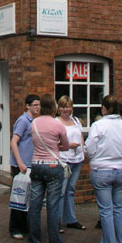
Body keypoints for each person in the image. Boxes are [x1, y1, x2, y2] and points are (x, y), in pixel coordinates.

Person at [85, 95, 122, 243]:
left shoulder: (98, 125)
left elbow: (90, 149)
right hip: (120, 170)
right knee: (118, 209)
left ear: (103, 108)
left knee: (106, 211)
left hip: (102, 170)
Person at [28, 94, 70, 243]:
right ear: (53, 106)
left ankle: (34, 241)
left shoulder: (34, 124)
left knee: (35, 206)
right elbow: (65, 146)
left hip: (36, 165)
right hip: (53, 166)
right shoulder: (58, 125)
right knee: (53, 207)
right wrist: (56, 146)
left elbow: (34, 142)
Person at [9, 94, 40, 240]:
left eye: (39, 105)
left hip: (30, 164)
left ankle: (24, 226)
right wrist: (20, 163)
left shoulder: (34, 121)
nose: (37, 107)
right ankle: (15, 228)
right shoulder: (23, 121)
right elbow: (14, 142)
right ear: (27, 106)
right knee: (18, 196)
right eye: (35, 105)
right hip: (21, 165)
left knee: (27, 197)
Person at [56, 95, 86, 231]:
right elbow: (54, 142)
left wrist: (83, 151)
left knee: (71, 190)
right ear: (58, 108)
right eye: (62, 106)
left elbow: (81, 135)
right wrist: (68, 145)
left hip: (77, 159)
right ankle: (56, 222)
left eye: (67, 107)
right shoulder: (56, 122)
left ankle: (70, 219)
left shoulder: (75, 120)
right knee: (61, 191)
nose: (65, 109)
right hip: (64, 160)